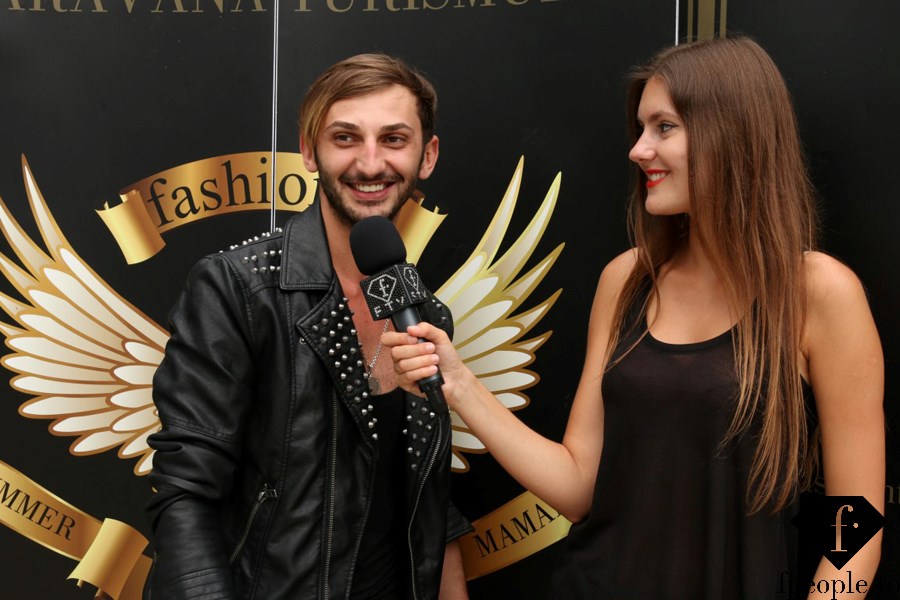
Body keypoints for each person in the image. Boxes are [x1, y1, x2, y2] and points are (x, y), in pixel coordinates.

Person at [384, 37, 884, 599]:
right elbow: (578, 487)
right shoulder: (626, 280)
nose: (639, 150)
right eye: (641, 129)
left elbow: (856, 522)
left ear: (731, 133)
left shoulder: (817, 292)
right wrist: (459, 383)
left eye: (664, 127)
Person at [145, 53, 470, 600]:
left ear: (428, 155)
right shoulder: (238, 288)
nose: (370, 164)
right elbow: (185, 496)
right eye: (345, 138)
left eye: (394, 139)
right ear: (309, 150)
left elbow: (425, 494)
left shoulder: (425, 315)